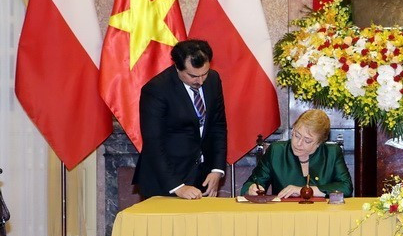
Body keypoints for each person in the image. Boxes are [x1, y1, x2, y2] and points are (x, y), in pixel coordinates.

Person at [133, 40, 227, 199]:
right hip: (165, 181)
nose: (200, 81)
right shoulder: (156, 90)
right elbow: (153, 143)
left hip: (202, 177)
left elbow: (218, 126)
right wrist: (177, 186)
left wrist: (216, 170)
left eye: (204, 73)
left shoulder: (213, 80)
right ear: (177, 67)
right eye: (193, 76)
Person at [242, 109, 353, 198]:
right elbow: (250, 184)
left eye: (307, 140)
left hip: (322, 214)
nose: (298, 143)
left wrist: (304, 190)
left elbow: (346, 187)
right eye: (296, 135)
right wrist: (251, 189)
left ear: (319, 143)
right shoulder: (276, 151)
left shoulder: (331, 153)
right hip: (284, 215)